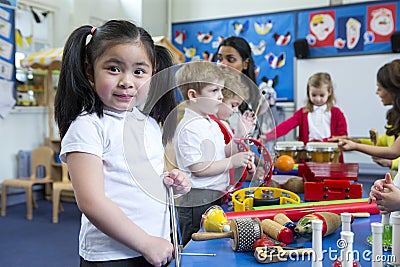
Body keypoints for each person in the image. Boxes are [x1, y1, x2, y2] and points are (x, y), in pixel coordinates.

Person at [54, 20, 190, 267]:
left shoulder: (148, 123)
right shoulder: (88, 125)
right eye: (114, 69)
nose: (127, 81)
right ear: (89, 70)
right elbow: (91, 201)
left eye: (139, 72)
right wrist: (145, 242)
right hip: (112, 256)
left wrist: (171, 180)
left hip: (155, 247)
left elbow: (141, 177)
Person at [173, 61, 255, 245]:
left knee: (212, 244)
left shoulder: (208, 122)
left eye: (220, 90)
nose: (220, 97)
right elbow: (199, 169)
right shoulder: (190, 127)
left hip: (213, 195)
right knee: (196, 247)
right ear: (193, 95)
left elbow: (223, 152)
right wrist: (232, 162)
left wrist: (239, 137)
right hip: (197, 199)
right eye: (214, 91)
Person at [261, 72, 348, 161]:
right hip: (308, 157)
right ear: (308, 93)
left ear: (329, 92)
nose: (318, 99)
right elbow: (286, 126)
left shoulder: (337, 113)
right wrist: (267, 136)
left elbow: (342, 136)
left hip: (331, 158)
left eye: (322, 95)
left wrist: (324, 142)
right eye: (314, 95)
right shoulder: (302, 113)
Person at [339, 60, 400, 164]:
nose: (377, 92)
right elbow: (381, 143)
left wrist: (355, 146)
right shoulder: (395, 116)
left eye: (380, 88)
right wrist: (355, 141)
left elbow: (394, 151)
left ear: (392, 90)